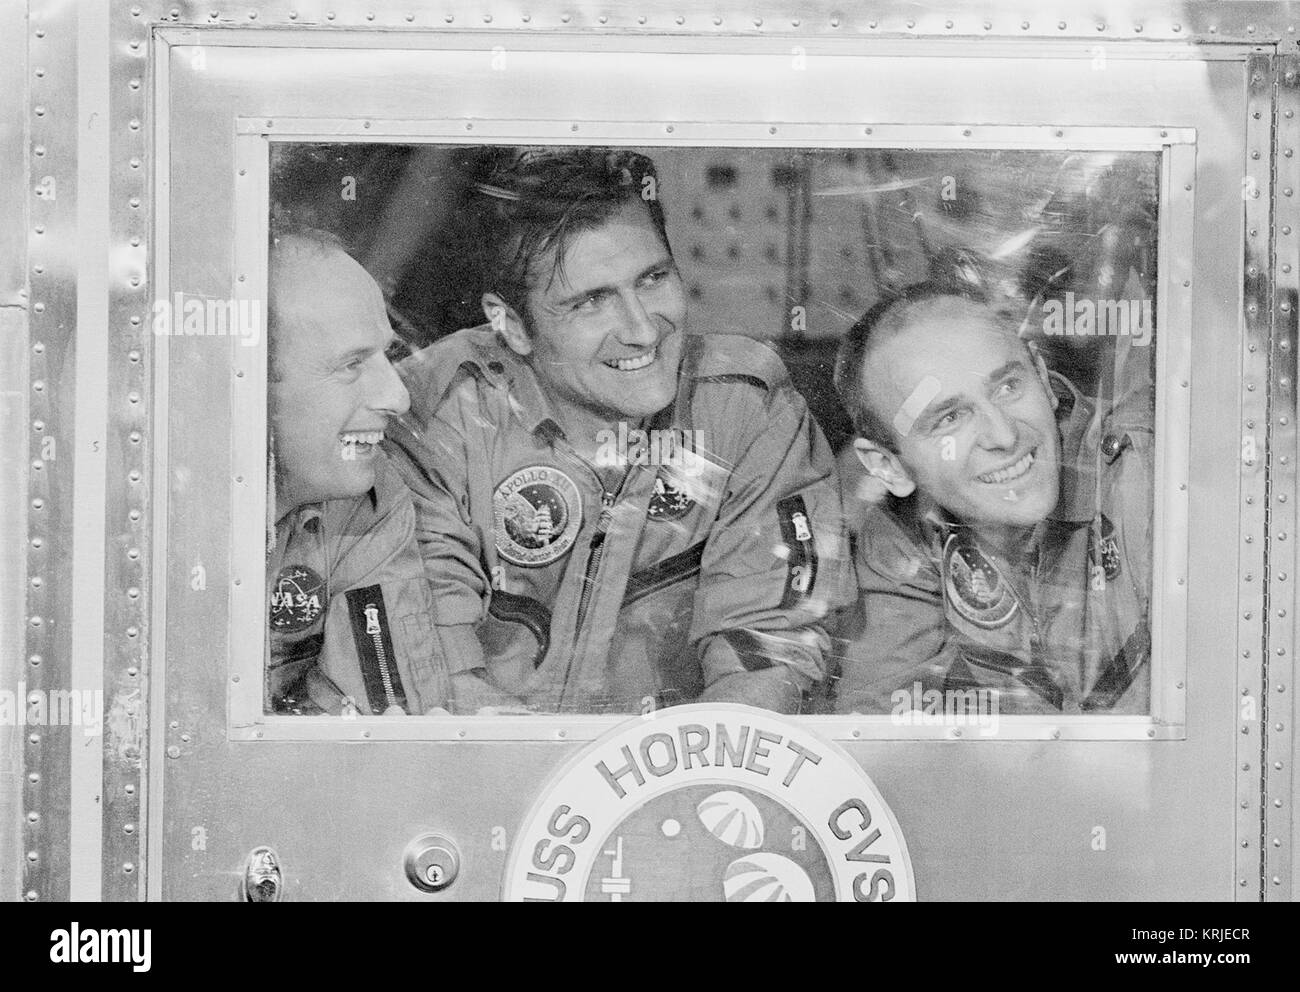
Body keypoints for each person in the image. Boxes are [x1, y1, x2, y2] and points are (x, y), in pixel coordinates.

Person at [386, 148, 849, 714]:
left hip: (669, 776)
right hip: (488, 774)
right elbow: (432, 663)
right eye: (590, 303)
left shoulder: (746, 411)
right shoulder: (439, 414)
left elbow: (768, 649)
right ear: (512, 325)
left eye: (653, 279)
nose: (641, 330)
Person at [833, 286, 1152, 714]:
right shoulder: (904, 533)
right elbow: (878, 727)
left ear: (1042, 377)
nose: (1003, 435)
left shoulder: (1137, 476)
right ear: (889, 467)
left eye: (1008, 387)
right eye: (949, 418)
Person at [265, 229, 445, 715]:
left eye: (385, 355)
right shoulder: (131, 515)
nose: (398, 397)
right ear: (245, 377)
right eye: (351, 364)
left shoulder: (370, 503)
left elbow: (380, 730)